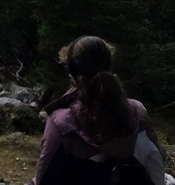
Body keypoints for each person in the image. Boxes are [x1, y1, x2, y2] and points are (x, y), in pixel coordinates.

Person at [32, 36, 165, 184]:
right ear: (108, 66)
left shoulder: (60, 121)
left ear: (72, 74)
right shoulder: (137, 111)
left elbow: (43, 176)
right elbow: (155, 162)